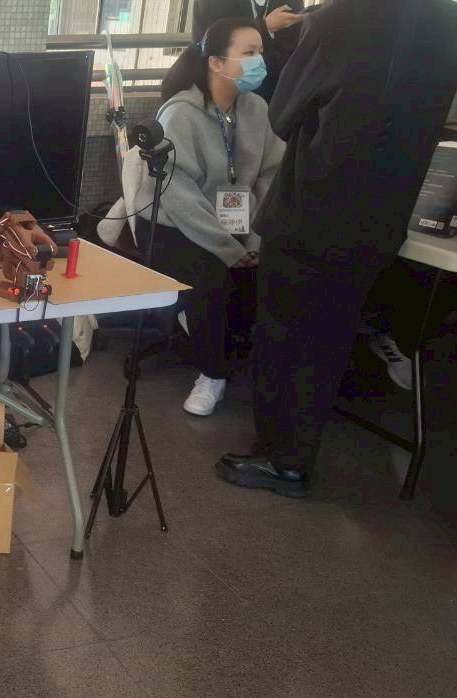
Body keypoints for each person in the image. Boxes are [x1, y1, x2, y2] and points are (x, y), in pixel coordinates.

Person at [218, 0, 457, 498]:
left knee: (283, 338)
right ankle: (298, 452)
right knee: (331, 339)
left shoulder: (338, 20)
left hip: (311, 210)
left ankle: (281, 460)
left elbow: (284, 115)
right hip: (382, 217)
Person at [133, 17, 284, 416]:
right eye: (248, 53)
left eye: (260, 52)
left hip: (236, 224)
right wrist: (228, 248)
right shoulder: (180, 113)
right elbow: (178, 194)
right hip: (175, 225)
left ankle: (232, 353)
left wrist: (254, 240)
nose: (259, 62)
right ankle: (212, 373)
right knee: (212, 277)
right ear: (216, 62)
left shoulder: (258, 108)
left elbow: (270, 176)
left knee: (268, 273)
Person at [191, 0, 306, 101]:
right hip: (220, 87)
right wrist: (266, 28)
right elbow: (212, 42)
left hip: (275, 88)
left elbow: (293, 50)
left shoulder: (292, 3)